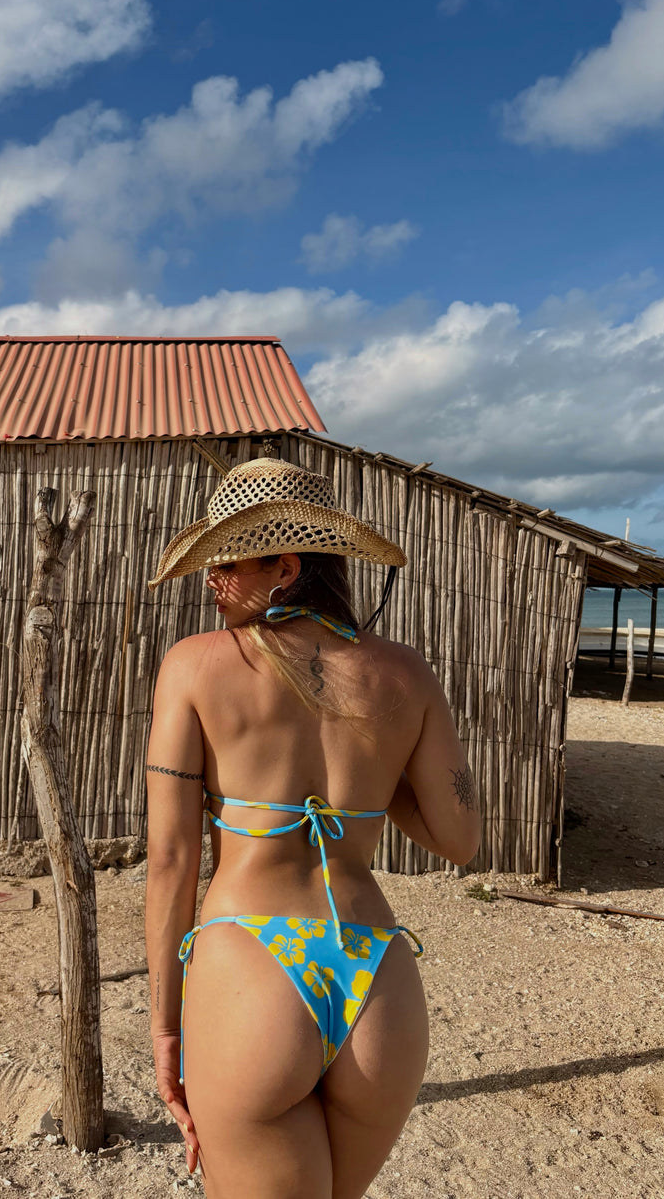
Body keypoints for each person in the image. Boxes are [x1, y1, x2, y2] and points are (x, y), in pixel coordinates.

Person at [144, 458, 481, 1198]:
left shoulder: (195, 667)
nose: (211, 581)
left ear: (286, 566)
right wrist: (376, 767)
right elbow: (460, 839)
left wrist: (166, 1030)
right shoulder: (405, 673)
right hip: (377, 980)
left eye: (228, 562)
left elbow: (170, 859)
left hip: (252, 963)